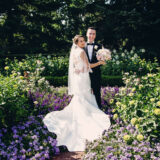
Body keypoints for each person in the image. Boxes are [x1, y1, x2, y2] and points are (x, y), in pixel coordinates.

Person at [43, 35, 110, 152]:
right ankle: (86, 116)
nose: (83, 42)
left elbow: (75, 66)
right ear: (77, 42)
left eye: (83, 41)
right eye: (81, 41)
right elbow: (88, 66)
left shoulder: (74, 52)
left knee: (80, 98)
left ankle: (79, 114)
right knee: (84, 97)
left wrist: (78, 69)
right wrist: (100, 62)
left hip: (78, 77)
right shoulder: (82, 52)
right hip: (83, 78)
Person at [85, 27, 103, 109]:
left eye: (93, 34)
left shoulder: (99, 46)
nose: (91, 35)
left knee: (97, 93)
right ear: (86, 34)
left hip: (96, 74)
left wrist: (102, 60)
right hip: (84, 74)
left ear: (95, 35)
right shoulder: (82, 45)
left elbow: (102, 61)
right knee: (85, 93)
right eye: (90, 33)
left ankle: (99, 110)